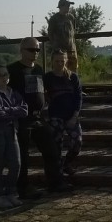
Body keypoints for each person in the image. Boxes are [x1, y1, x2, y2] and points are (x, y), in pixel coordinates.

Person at [7, 37, 67, 198]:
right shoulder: (12, 70)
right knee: (23, 155)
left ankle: (55, 183)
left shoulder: (39, 69)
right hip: (20, 118)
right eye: (31, 49)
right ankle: (23, 187)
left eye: (37, 50)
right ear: (22, 50)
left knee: (51, 149)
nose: (35, 53)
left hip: (37, 118)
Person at [0, 65, 26, 209]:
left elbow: (24, 110)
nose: (3, 78)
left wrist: (7, 110)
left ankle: (10, 193)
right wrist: (14, 111)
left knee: (16, 164)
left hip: (11, 131)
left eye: (5, 74)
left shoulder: (13, 93)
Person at [43, 49, 83, 177]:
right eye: (57, 61)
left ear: (66, 61)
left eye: (62, 61)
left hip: (71, 114)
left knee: (77, 142)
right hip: (55, 115)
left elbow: (78, 97)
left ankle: (67, 163)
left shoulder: (73, 77)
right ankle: (58, 171)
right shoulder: (47, 78)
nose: (60, 63)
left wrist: (75, 115)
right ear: (52, 61)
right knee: (56, 145)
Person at [47, 0, 78, 73]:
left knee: (73, 71)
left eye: (69, 6)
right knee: (59, 71)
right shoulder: (54, 19)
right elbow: (50, 33)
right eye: (66, 5)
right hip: (59, 51)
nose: (68, 7)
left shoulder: (71, 17)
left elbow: (74, 30)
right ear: (61, 7)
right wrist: (55, 47)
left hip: (72, 50)